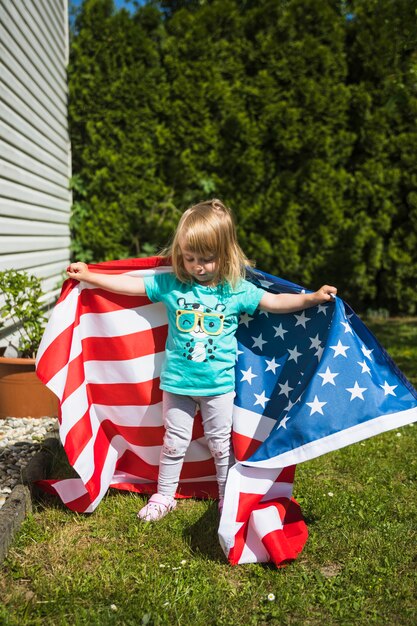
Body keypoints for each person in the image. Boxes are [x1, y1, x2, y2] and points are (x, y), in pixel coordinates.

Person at [67, 199, 337, 521]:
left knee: (221, 445)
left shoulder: (236, 290)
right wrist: (92, 276)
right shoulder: (171, 284)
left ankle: (227, 498)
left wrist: (311, 298)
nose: (197, 266)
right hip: (178, 384)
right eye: (189, 257)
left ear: (224, 254)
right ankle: (164, 496)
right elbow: (132, 285)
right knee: (173, 443)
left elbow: (274, 301)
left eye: (206, 259)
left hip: (219, 386)